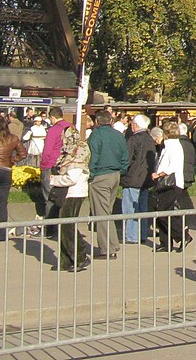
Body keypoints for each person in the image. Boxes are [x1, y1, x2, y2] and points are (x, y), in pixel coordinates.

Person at [86, 109, 129, 260]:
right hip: (115, 175)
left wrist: (90, 176)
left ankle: (107, 249)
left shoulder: (95, 135)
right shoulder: (118, 135)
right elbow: (125, 156)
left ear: (97, 122)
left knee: (101, 214)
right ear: (110, 121)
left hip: (101, 176)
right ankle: (112, 244)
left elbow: (93, 157)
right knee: (107, 211)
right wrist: (121, 171)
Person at [51, 125, 91, 271]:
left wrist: (53, 180)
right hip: (71, 192)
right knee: (65, 227)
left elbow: (71, 178)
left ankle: (81, 256)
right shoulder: (70, 152)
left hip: (74, 192)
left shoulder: (76, 153)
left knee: (68, 227)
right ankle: (66, 260)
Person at [150, 119, 193, 251]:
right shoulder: (169, 145)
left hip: (172, 183)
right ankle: (165, 242)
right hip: (166, 183)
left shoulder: (173, 146)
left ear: (166, 133)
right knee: (161, 210)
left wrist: (159, 174)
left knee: (163, 212)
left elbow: (172, 166)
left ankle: (182, 235)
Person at [122, 114, 155, 245]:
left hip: (133, 177)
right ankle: (141, 234)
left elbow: (127, 159)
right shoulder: (150, 139)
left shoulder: (133, 139)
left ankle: (131, 235)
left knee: (130, 207)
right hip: (145, 178)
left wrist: (122, 172)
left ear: (135, 125)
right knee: (142, 207)